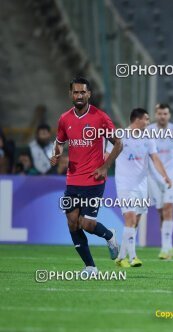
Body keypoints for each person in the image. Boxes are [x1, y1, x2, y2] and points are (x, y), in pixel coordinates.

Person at [50, 77, 122, 276]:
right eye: (76, 92)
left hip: (93, 179)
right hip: (72, 180)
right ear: (71, 94)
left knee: (87, 224)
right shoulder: (64, 119)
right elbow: (59, 141)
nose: (79, 95)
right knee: (72, 222)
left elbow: (118, 143)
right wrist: (56, 154)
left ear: (89, 94)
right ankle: (90, 266)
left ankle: (109, 235)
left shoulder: (100, 117)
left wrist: (105, 166)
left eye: (83, 92)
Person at [111, 108, 171, 267]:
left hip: (142, 186)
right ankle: (133, 257)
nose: (149, 122)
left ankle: (121, 257)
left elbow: (155, 159)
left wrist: (165, 176)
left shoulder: (148, 138)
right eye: (146, 119)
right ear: (137, 120)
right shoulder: (121, 136)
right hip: (124, 184)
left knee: (135, 222)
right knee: (130, 218)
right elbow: (107, 155)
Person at [147, 103, 173, 260]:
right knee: (160, 211)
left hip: (172, 174)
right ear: (155, 114)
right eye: (159, 113)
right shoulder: (148, 131)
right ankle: (168, 245)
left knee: (168, 208)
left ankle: (164, 248)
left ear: (169, 115)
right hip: (154, 175)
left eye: (165, 113)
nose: (162, 116)